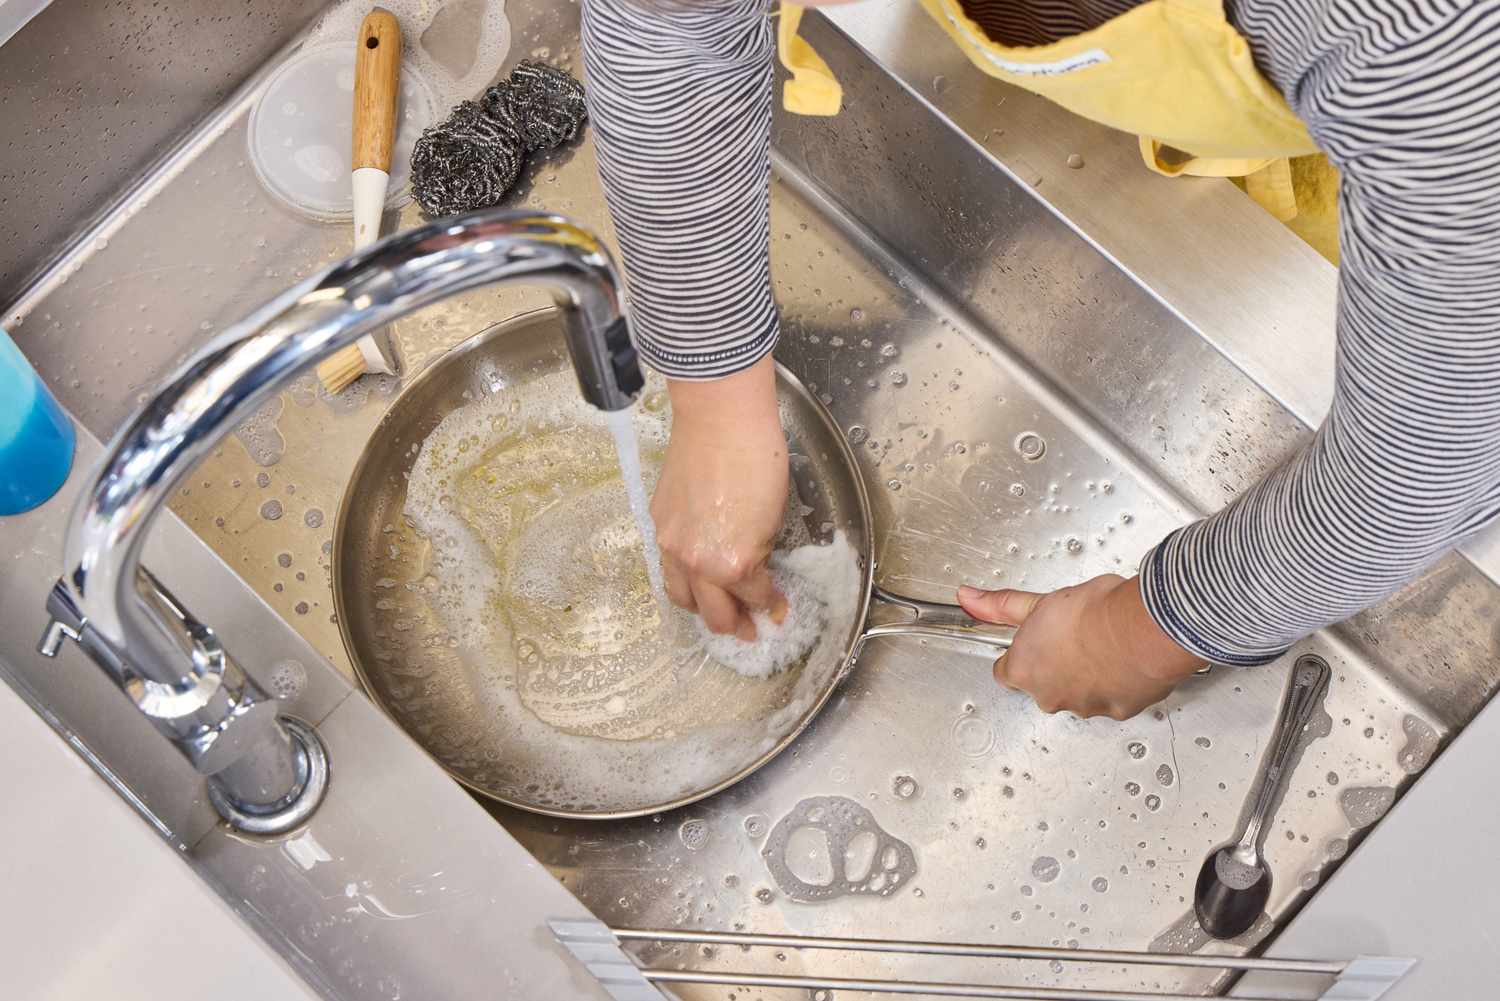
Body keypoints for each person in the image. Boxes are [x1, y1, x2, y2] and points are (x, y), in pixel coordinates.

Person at [578, 0, 1500, 719]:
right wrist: (715, 395)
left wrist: (1157, 627)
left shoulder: (1415, 39)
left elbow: (1444, 441)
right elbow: (671, 35)